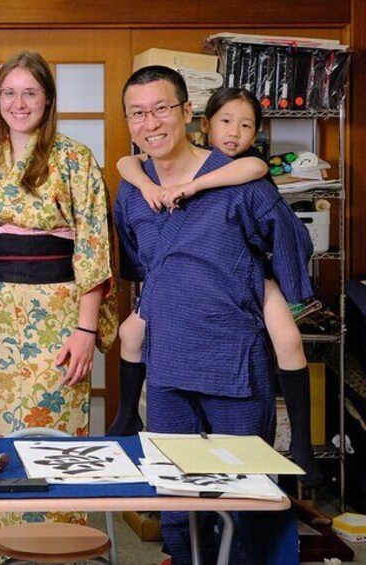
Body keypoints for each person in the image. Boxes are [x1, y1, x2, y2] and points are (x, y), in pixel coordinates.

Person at [114, 66, 311, 564]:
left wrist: (272, 287)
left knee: (245, 504)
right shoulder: (131, 190)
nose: (150, 122)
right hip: (167, 370)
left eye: (161, 109)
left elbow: (291, 247)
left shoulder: (240, 180)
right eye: (137, 113)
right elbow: (140, 264)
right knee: (177, 508)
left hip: (234, 366)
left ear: (186, 113)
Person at [0, 51, 117, 564]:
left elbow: (93, 246)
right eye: (8, 93)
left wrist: (86, 330)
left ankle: (57, 550)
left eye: (29, 93)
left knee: (54, 439)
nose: (18, 103)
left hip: (58, 319)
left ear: (48, 99)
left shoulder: (75, 159)